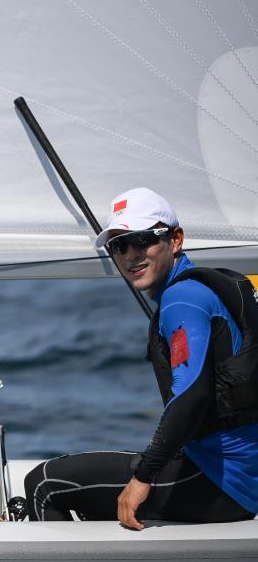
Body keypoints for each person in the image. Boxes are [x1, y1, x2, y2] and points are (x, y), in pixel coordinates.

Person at [24, 187, 258, 528]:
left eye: (143, 240)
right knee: (99, 492)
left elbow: (192, 396)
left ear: (175, 239)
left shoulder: (183, 298)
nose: (131, 254)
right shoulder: (210, 287)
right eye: (119, 245)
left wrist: (144, 475)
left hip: (220, 482)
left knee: (44, 483)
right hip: (239, 474)